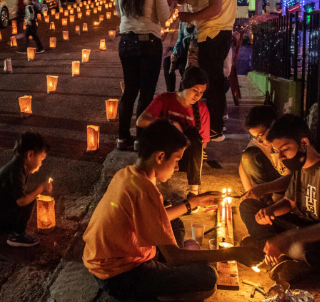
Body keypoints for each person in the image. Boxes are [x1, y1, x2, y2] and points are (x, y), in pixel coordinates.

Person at [82, 120, 263, 301]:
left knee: (174, 220)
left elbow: (157, 218)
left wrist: (193, 203)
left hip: (108, 262)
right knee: (207, 276)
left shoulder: (128, 174)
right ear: (160, 156)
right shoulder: (144, 191)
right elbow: (175, 257)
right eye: (176, 160)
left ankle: (168, 269)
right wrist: (234, 253)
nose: (177, 167)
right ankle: (160, 292)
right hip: (120, 276)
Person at [239, 114, 320, 283]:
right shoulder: (300, 168)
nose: (281, 157)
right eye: (277, 151)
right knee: (248, 207)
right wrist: (270, 211)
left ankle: (272, 249)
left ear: (304, 143)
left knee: (302, 247)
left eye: (285, 149)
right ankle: (277, 253)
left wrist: (290, 237)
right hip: (300, 227)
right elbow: (290, 202)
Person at [115, 0, 174, 151]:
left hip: (125, 42)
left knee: (130, 90)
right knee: (146, 92)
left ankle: (122, 138)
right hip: (148, 42)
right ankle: (140, 138)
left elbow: (118, 12)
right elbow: (165, 17)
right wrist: (171, 4)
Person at [179, 0, 237, 142]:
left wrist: (187, 18)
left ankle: (214, 129)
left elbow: (214, 9)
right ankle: (215, 127)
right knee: (214, 81)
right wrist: (187, 1)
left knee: (211, 83)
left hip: (213, 34)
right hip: (220, 32)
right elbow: (208, 2)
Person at [137, 67, 210, 195]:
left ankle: (193, 193)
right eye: (195, 90)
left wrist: (193, 149)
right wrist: (171, 124)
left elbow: (202, 142)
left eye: (202, 92)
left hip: (184, 157)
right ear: (185, 85)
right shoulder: (165, 99)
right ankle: (150, 189)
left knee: (194, 136)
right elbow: (141, 121)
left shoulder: (202, 109)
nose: (197, 95)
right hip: (163, 153)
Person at [0, 132, 53, 247]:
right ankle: (17, 235)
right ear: (30, 155)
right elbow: (22, 201)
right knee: (29, 198)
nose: (40, 164)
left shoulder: (17, 166)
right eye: (41, 159)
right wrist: (40, 188)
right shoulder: (15, 172)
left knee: (29, 194)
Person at [239, 106, 289, 205]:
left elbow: (291, 179)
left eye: (261, 135)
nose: (259, 141)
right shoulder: (258, 142)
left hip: (291, 188)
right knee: (248, 156)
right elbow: (243, 166)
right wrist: (250, 194)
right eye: (254, 137)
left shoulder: (287, 141)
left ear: (273, 124)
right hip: (271, 185)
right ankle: (263, 202)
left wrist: (262, 189)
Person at [162, 21, 195, 92]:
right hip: (183, 53)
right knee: (167, 62)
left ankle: (183, 91)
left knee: (182, 67)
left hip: (194, 54)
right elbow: (180, 40)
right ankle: (170, 92)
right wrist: (174, 53)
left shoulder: (200, 23)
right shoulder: (183, 22)